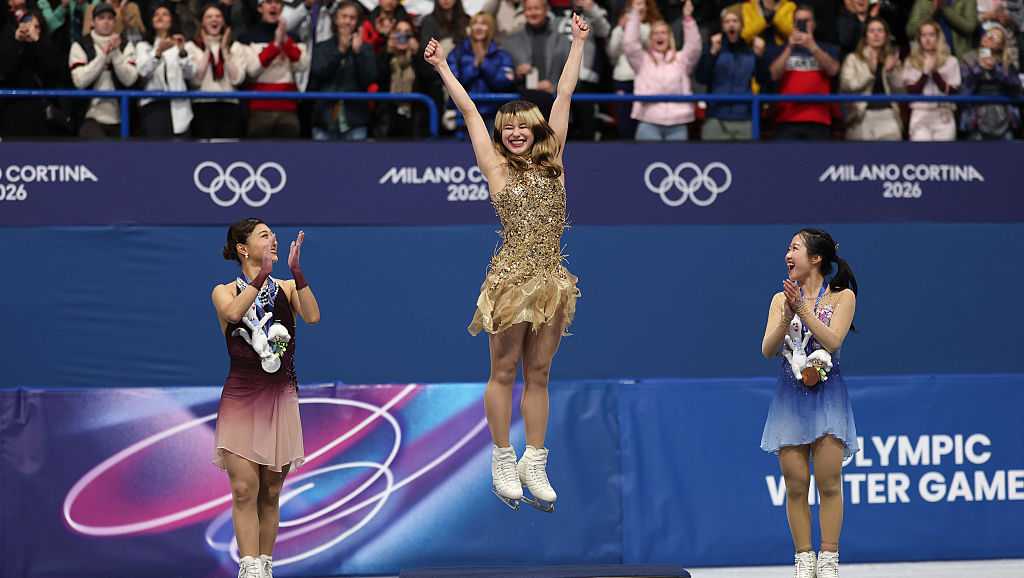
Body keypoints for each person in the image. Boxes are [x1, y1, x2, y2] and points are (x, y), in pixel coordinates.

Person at [422, 11, 586, 513]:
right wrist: (445, 69)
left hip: (553, 281)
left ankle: (534, 459)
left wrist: (578, 42)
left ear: (537, 131)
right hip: (512, 278)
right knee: (505, 370)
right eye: (507, 127)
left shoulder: (554, 159)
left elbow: (563, 96)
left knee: (540, 373)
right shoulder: (493, 167)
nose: (514, 133)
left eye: (522, 127)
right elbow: (472, 114)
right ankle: (501, 454)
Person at [212, 219, 320, 578]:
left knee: (270, 493)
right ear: (243, 249)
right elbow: (233, 313)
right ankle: (250, 567)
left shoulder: (288, 287)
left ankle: (266, 565)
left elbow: (313, 316)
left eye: (273, 234)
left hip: (280, 400)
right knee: (245, 488)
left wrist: (296, 272)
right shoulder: (223, 291)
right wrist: (260, 278)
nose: (273, 239)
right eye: (263, 235)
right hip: (242, 399)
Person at [760, 228, 859, 578]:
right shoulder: (778, 300)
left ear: (816, 258)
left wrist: (803, 307)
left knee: (829, 482)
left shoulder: (842, 297)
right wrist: (788, 313)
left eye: (795, 248)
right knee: (796, 482)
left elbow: (832, 340)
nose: (788, 254)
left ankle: (828, 558)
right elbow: (768, 349)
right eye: (788, 248)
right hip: (790, 399)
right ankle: (804, 558)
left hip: (828, 399)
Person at [623, 0, 701, 140]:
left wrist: (688, 19)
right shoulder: (642, 61)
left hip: (678, 123)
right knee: (644, 161)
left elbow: (694, 48)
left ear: (669, 37)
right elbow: (630, 45)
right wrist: (635, 15)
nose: (660, 36)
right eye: (656, 33)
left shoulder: (681, 60)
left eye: (664, 33)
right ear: (650, 38)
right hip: (649, 121)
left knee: (676, 161)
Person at [186, 3, 247, 139]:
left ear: (224, 21)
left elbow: (237, 79)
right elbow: (196, 80)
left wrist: (225, 51)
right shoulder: (192, 47)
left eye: (218, 16)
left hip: (230, 105)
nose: (214, 20)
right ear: (202, 22)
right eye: (209, 17)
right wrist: (207, 50)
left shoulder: (235, 47)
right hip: (203, 106)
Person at [135, 3, 194, 138]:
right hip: (153, 107)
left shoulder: (182, 43)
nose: (160, 17)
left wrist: (182, 52)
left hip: (179, 107)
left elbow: (190, 74)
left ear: (172, 20)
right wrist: (158, 53)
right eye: (156, 15)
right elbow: (143, 72)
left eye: (165, 14)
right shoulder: (143, 46)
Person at [839, 17, 903, 141]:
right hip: (861, 116)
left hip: (888, 116)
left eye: (880, 31)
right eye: (871, 31)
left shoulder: (892, 59)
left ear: (886, 36)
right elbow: (847, 86)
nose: (876, 34)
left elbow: (901, 92)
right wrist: (870, 72)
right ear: (865, 36)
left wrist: (891, 72)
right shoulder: (853, 59)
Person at [902, 19, 961, 140]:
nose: (927, 39)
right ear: (919, 39)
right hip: (920, 113)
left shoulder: (951, 61)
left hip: (943, 113)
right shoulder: (911, 61)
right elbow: (912, 92)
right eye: (923, 35)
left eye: (931, 35)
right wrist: (925, 73)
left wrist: (934, 73)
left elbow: (953, 92)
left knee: (944, 156)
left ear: (938, 37)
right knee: (921, 157)